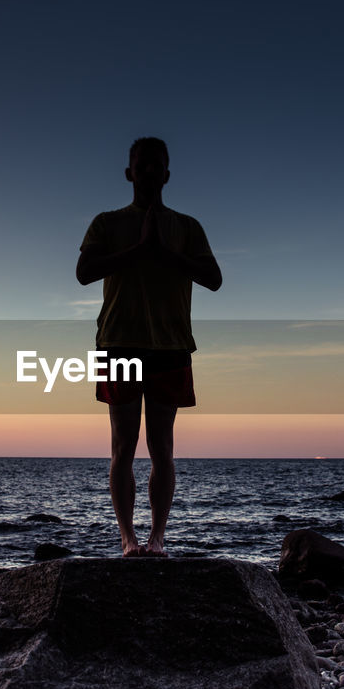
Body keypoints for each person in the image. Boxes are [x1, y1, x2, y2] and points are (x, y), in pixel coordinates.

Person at [76, 137, 222, 557]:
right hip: (120, 342)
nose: (149, 170)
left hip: (171, 346)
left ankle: (157, 538)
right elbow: (84, 272)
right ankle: (128, 539)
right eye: (142, 164)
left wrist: (163, 252)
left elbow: (213, 278)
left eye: (157, 164)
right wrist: (139, 250)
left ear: (167, 174)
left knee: (163, 447)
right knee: (123, 446)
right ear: (129, 172)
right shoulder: (107, 223)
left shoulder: (188, 227)